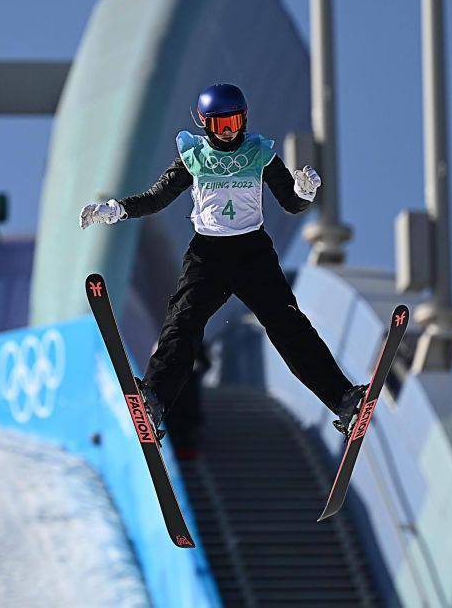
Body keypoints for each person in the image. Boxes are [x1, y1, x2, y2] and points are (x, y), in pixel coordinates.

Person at [80, 83, 366, 439]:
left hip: (253, 254)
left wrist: (304, 193)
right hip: (207, 256)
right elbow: (157, 198)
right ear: (205, 124)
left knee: (288, 325)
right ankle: (152, 399)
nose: (229, 132)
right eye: (220, 125)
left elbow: (291, 203)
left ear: (244, 119)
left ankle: (344, 400)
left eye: (233, 122)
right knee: (182, 325)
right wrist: (118, 210)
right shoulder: (194, 157)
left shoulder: (259, 154)